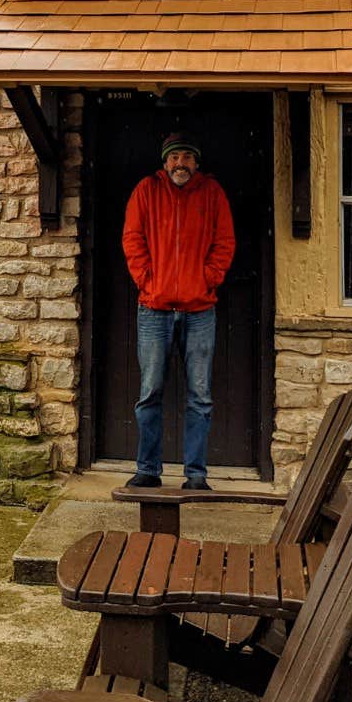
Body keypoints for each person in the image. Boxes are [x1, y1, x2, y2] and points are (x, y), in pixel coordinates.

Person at [120, 131, 236, 490]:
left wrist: (208, 279)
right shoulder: (146, 191)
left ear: (196, 162)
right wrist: (146, 280)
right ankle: (148, 469)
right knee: (150, 391)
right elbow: (132, 238)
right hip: (154, 308)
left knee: (199, 395)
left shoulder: (212, 193)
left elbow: (225, 241)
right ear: (164, 162)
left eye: (186, 157)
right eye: (174, 157)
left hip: (199, 309)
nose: (180, 164)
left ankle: (196, 475)